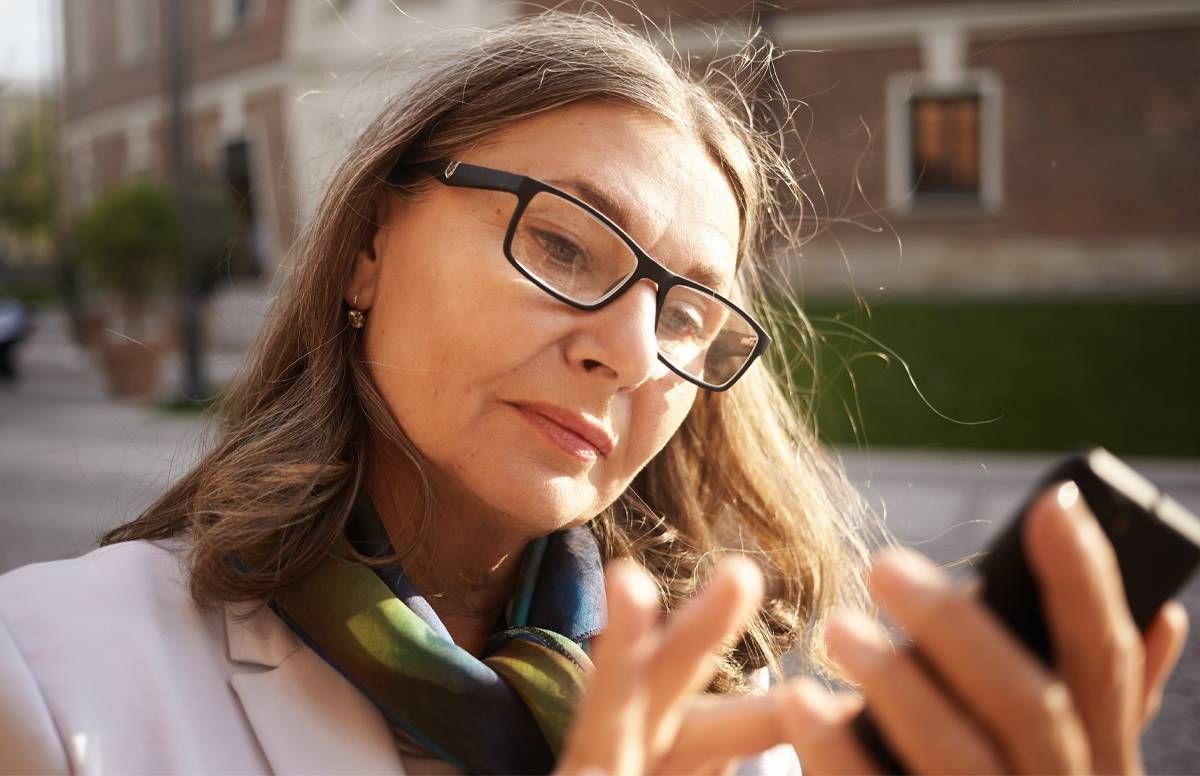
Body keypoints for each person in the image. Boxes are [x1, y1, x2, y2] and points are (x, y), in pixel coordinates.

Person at [0, 11, 1188, 776]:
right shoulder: (50, 680)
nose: (629, 350)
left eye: (687, 315)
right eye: (565, 245)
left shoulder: (734, 739)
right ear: (367, 244)